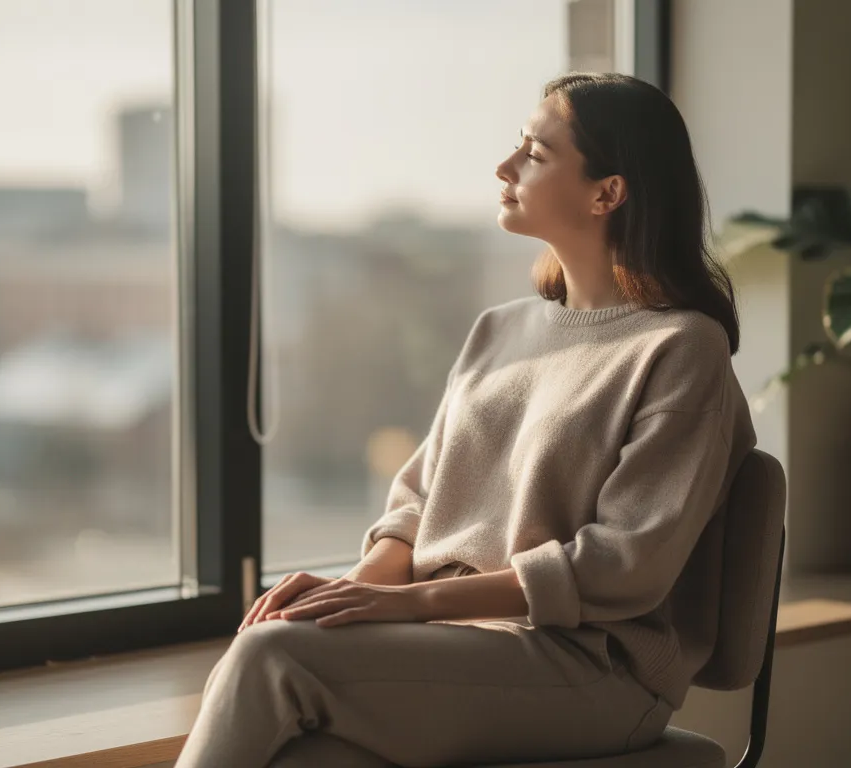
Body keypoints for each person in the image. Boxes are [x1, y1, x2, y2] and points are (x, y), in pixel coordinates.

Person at [175, 72, 757, 768]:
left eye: (535, 154)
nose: (505, 167)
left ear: (607, 193)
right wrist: (357, 591)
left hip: (592, 667)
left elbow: (626, 565)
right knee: (302, 749)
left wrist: (413, 605)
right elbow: (418, 501)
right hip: (455, 644)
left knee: (273, 654)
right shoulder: (499, 331)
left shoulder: (681, 346)